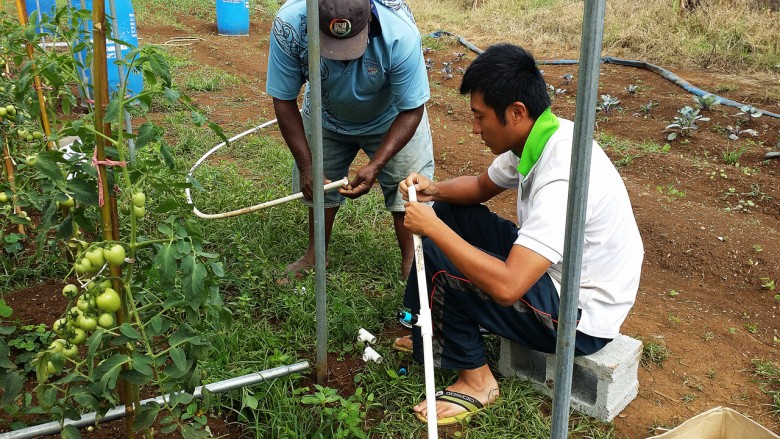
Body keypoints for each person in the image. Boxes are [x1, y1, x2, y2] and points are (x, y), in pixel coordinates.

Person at [397, 43, 644, 425]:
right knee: (448, 213)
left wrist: (433, 229)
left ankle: (477, 381)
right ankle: (424, 327)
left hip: (579, 318)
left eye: (480, 118)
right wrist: (434, 191)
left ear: (516, 112)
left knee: (443, 257)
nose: (475, 129)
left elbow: (510, 286)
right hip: (558, 273)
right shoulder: (542, 136)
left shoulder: (563, 174)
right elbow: (480, 186)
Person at [266, 0, 434, 280]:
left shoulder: (400, 34)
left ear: (369, 20)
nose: (342, 57)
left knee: (410, 190)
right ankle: (316, 255)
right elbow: (283, 99)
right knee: (320, 186)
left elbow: (412, 109)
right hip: (325, 112)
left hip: (392, 116)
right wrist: (308, 166)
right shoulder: (290, 25)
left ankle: (412, 270)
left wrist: (376, 165)